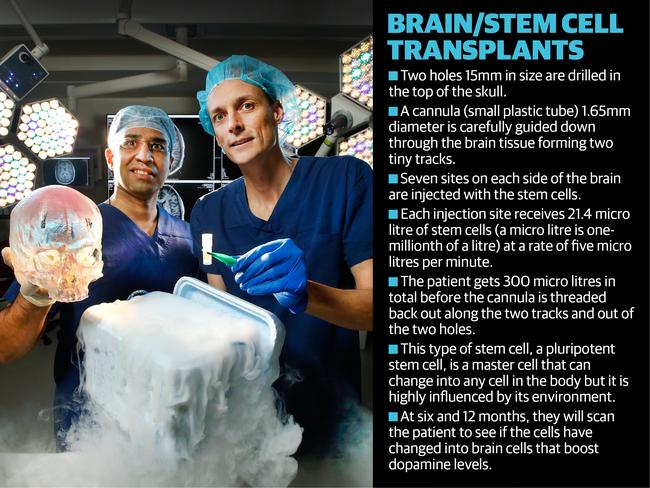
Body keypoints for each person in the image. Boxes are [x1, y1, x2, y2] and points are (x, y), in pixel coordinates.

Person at [191, 55, 373, 455]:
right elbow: (215, 317)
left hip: (333, 415)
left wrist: (307, 294)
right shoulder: (207, 215)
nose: (233, 124)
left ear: (276, 110)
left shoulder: (345, 180)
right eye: (219, 116)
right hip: (245, 421)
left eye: (246, 106)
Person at [0, 105, 198, 449]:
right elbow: (6, 347)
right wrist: (33, 299)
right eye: (130, 142)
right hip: (87, 422)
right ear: (109, 156)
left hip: (170, 419)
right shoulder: (72, 232)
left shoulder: (189, 240)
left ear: (171, 159)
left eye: (157, 146)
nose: (144, 155)